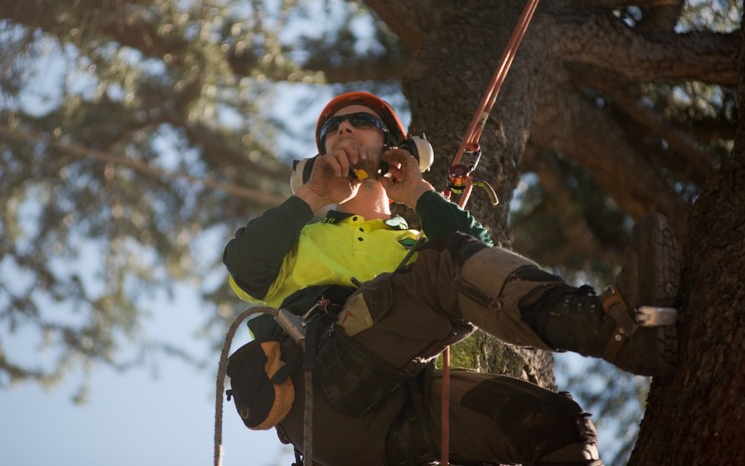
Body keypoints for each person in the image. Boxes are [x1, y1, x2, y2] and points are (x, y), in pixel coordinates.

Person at [223, 92, 678, 466]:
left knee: (557, 425)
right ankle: (608, 327)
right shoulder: (299, 235)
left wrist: (418, 193)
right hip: (321, 390)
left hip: (399, 414)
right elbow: (244, 264)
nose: (342, 129)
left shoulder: (415, 243)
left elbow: (477, 253)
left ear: (393, 150)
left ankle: (615, 338)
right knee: (447, 263)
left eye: (360, 121)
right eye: (331, 130)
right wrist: (315, 195)